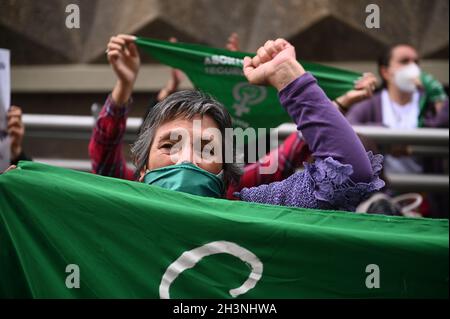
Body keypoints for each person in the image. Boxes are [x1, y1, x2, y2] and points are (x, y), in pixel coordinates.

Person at [92, 34, 383, 211]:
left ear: (225, 174)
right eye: (170, 145)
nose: (187, 160)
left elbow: (349, 174)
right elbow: (104, 157)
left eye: (207, 149)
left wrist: (288, 77)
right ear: (142, 169)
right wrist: (123, 86)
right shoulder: (117, 207)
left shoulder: (248, 206)